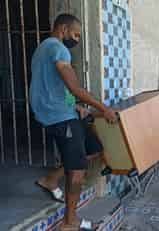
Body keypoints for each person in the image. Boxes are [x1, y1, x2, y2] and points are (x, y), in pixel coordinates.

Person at [30, 14, 117, 231]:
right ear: (63, 28)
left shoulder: (42, 48)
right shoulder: (59, 49)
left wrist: (76, 106)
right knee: (77, 168)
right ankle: (70, 221)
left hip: (64, 111)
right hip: (59, 117)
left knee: (93, 148)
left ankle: (51, 180)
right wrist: (104, 109)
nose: (76, 39)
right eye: (75, 34)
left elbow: (53, 85)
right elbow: (74, 87)